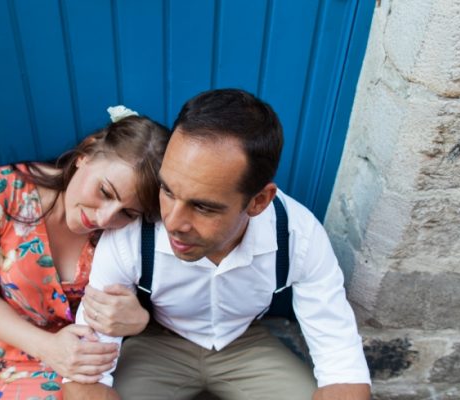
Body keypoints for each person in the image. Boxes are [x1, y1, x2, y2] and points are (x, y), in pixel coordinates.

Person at [66, 89, 372, 400]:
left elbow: (341, 363)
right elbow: (86, 372)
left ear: (259, 201)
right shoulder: (131, 232)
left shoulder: (298, 236)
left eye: (203, 207)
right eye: (168, 191)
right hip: (158, 344)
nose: (172, 222)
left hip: (245, 344)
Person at [0, 108, 170, 400]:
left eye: (127, 211)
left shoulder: (133, 235)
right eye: (105, 191)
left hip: (86, 363)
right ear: (85, 154)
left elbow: (171, 306)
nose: (104, 218)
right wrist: (48, 348)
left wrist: (140, 320)